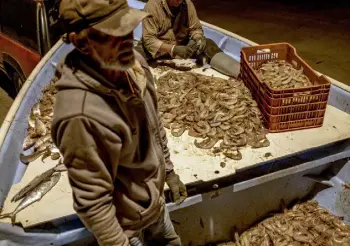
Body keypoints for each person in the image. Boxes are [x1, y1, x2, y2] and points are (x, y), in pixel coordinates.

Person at [51, 0, 187, 245]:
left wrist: (169, 172)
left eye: (128, 28)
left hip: (154, 204)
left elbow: (153, 126)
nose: (128, 41)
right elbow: (94, 205)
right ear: (82, 42)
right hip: (126, 228)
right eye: (114, 33)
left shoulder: (134, 65)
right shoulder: (80, 115)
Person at [136, 0, 240, 77]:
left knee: (208, 44)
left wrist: (199, 38)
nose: (179, 1)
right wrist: (173, 49)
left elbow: (195, 28)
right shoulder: (152, 6)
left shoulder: (187, 4)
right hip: (157, 48)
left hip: (182, 44)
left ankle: (239, 73)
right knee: (131, 57)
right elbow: (149, 39)